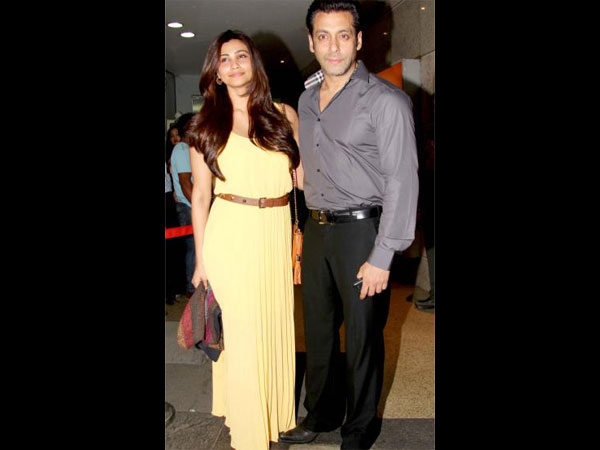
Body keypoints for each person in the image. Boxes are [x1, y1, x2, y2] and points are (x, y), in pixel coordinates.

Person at [279, 2, 419, 449]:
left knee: (362, 339)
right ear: (311, 42)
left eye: (343, 35)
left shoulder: (386, 101)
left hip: (363, 232)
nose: (333, 46)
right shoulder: (306, 99)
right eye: (323, 36)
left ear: (359, 40)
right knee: (319, 332)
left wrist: (383, 255)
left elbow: (402, 180)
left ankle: (359, 429)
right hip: (318, 230)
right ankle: (320, 413)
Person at [186, 29, 303, 450]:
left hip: (274, 233)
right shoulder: (205, 126)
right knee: (244, 332)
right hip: (230, 234)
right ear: (215, 72)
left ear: (254, 63)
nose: (233, 65)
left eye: (241, 56)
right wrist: (201, 260)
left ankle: (270, 414)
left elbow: (303, 179)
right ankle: (250, 434)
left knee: (273, 326)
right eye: (224, 59)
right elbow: (201, 197)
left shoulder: (284, 115)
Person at [170, 113, 197, 298]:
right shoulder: (181, 149)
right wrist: (200, 207)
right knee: (193, 248)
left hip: (190, 204)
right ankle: (191, 287)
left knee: (195, 248)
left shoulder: (189, 148)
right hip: (187, 206)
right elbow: (185, 182)